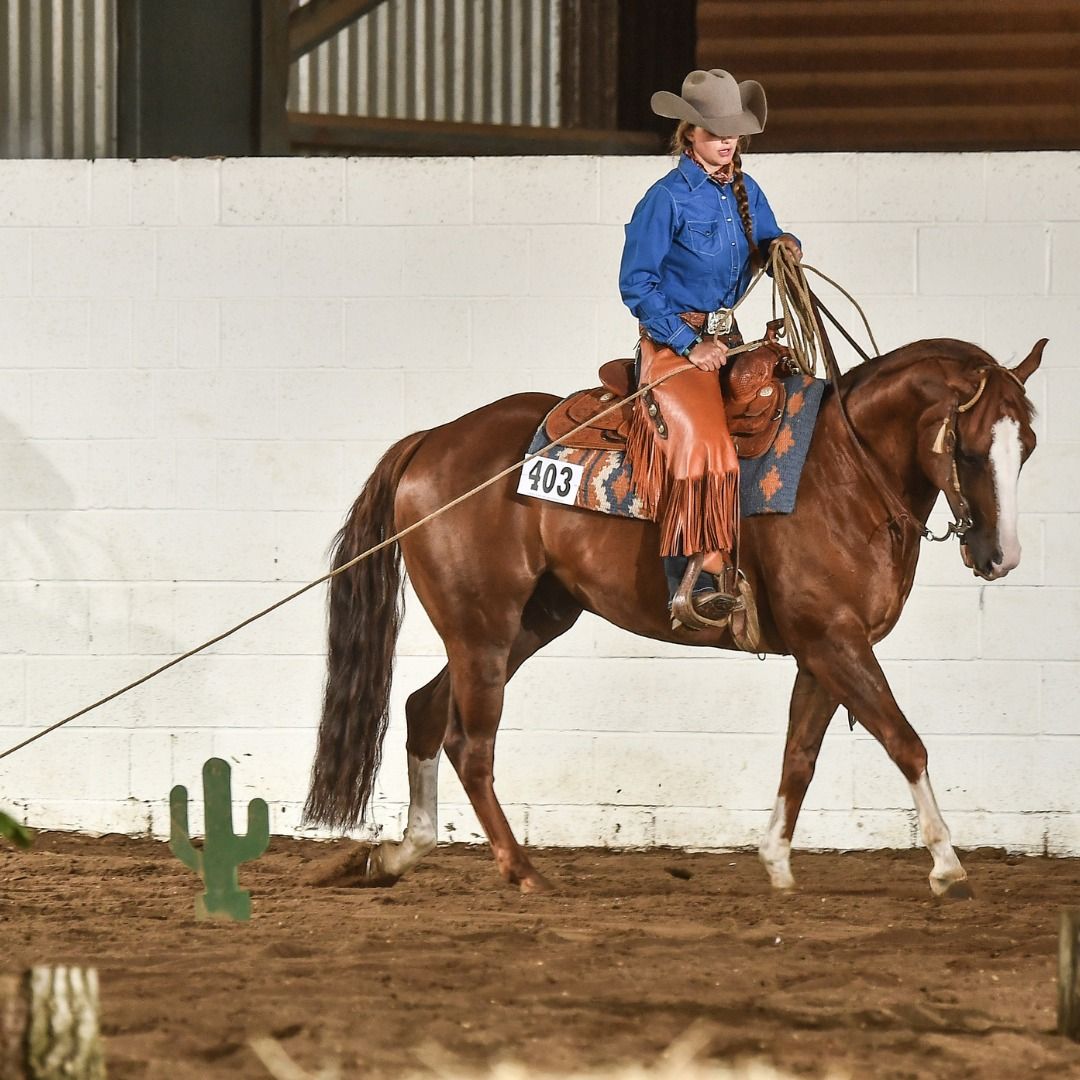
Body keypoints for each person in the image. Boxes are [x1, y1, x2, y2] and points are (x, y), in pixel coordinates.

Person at [618, 68, 801, 624]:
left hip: (728, 339)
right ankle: (692, 579)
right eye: (714, 129)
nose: (726, 140)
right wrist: (686, 342)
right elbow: (637, 283)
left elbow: (767, 237)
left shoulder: (745, 190)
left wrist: (785, 247)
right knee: (705, 443)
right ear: (689, 132)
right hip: (673, 344)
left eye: (733, 132)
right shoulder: (666, 199)